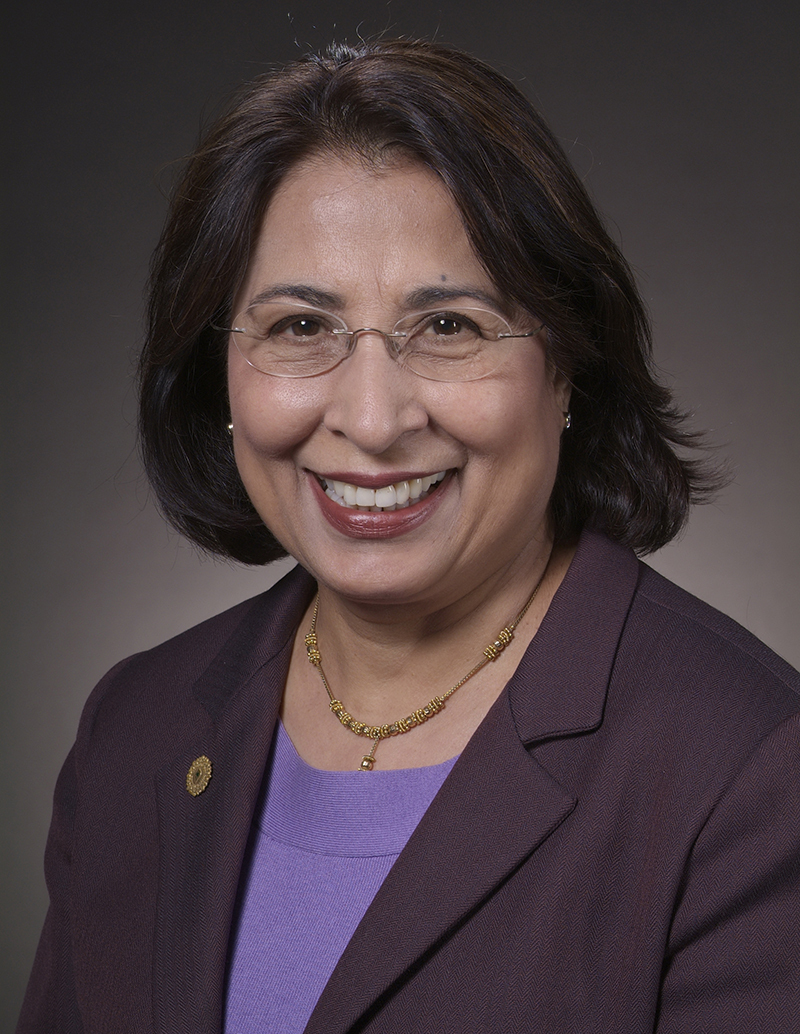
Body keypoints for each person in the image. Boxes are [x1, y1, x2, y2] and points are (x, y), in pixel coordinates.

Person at [18, 38, 800, 1034]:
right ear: (219, 371)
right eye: (300, 326)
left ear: (565, 370)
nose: (374, 418)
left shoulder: (749, 768)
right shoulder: (135, 727)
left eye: (450, 327)